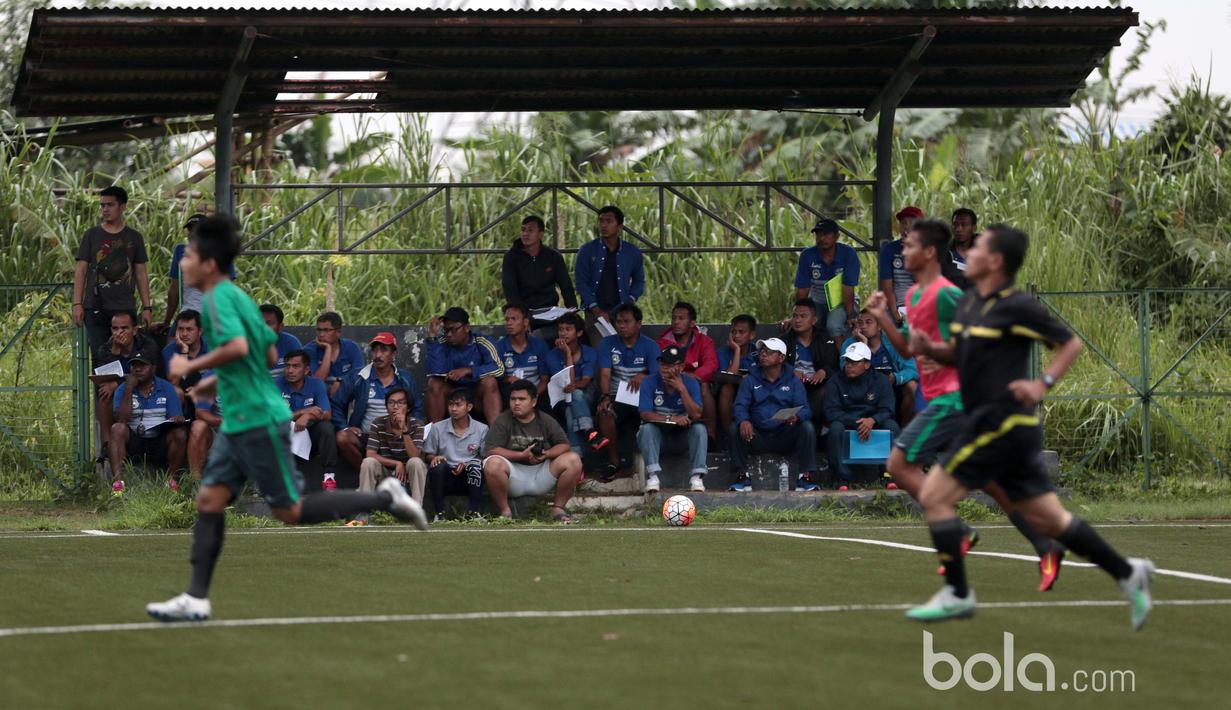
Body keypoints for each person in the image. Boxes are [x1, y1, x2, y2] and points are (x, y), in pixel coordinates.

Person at [147, 215, 426, 624]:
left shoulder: (218, 301)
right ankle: (196, 597)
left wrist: (192, 364)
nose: (183, 262)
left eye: (189, 254)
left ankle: (383, 498)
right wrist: (211, 386)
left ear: (207, 263)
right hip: (241, 418)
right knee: (209, 500)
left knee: (289, 511)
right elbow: (269, 355)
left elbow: (241, 346)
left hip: (258, 419)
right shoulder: (237, 298)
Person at [904, 224, 1153, 628]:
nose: (969, 251)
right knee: (1052, 520)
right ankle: (1128, 572)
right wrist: (930, 349)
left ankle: (957, 593)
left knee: (933, 494)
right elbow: (961, 356)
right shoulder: (969, 304)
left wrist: (1042, 383)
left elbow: (1069, 343)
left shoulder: (1016, 306)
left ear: (996, 261)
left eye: (979, 246)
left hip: (1001, 422)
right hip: (999, 427)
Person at [868, 218, 1064, 592]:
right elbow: (909, 347)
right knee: (991, 482)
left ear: (928, 253)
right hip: (949, 398)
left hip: (956, 398)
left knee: (898, 462)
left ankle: (955, 530)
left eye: (908, 246)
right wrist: (881, 318)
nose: (901, 252)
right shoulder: (913, 298)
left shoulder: (948, 294)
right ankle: (1045, 544)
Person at [482, 380, 583, 522]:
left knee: (573, 459)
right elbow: (491, 450)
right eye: (513, 399)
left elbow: (564, 445)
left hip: (541, 474)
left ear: (533, 401)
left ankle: (558, 509)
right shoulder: (502, 420)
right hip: (513, 475)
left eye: (522, 399)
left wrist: (547, 454)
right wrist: (520, 455)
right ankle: (505, 512)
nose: (516, 403)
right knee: (492, 463)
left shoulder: (545, 419)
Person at [727, 338, 819, 492]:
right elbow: (740, 406)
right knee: (735, 428)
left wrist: (796, 417)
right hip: (756, 435)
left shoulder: (794, 381)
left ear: (781, 358)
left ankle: (805, 477)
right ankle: (742, 476)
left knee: (807, 427)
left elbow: (805, 409)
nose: (763, 354)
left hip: (784, 434)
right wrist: (744, 420)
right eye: (762, 351)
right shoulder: (750, 380)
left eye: (769, 352)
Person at [332, 332, 421, 490]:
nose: (378, 355)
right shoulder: (358, 377)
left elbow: (417, 410)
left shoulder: (405, 379)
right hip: (366, 436)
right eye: (375, 350)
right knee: (342, 437)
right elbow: (336, 405)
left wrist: (409, 432)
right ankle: (372, 478)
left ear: (393, 354)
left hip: (397, 437)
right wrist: (346, 427)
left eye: (383, 350)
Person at [72, 185, 153, 353]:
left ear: (123, 207)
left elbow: (141, 273)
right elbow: (81, 270)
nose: (105, 209)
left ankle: (124, 381)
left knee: (128, 352)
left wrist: (147, 307)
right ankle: (103, 381)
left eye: (110, 205)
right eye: (102, 205)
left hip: (124, 305)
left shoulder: (134, 237)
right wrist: (77, 304)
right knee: (100, 354)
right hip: (95, 306)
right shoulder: (91, 235)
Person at [109, 346, 187, 495]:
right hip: (134, 442)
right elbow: (121, 419)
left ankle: (171, 482)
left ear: (153, 368)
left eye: (142, 365)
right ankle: (118, 484)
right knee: (117, 428)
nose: (137, 369)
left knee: (180, 432)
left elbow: (176, 416)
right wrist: (129, 389)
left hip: (158, 441)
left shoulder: (166, 387)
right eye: (134, 365)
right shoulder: (123, 389)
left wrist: (177, 419)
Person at [595, 303, 660, 480]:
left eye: (626, 321)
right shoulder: (607, 343)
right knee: (604, 413)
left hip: (644, 397)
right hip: (617, 396)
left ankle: (648, 466)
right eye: (618, 322)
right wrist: (606, 397)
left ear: (638, 323)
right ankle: (614, 462)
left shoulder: (651, 346)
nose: (621, 325)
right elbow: (605, 374)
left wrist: (643, 375)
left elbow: (657, 375)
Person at [823, 342, 900, 490]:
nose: (849, 365)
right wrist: (856, 422)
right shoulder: (835, 381)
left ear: (866, 364)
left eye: (854, 362)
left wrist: (873, 420)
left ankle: (890, 475)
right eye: (847, 361)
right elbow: (831, 411)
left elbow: (888, 409)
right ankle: (842, 479)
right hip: (847, 421)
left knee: (892, 426)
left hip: (873, 421)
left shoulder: (881, 380)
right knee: (835, 428)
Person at [352, 386, 428, 526]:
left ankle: (415, 513)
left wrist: (404, 431)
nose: (395, 407)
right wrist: (397, 464)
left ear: (408, 408)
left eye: (400, 403)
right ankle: (363, 514)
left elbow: (414, 455)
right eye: (391, 403)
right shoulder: (378, 423)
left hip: (409, 473)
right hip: (387, 472)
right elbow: (370, 453)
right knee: (368, 462)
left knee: (416, 462)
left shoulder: (417, 425)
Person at [637, 346, 708, 494]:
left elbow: (696, 415)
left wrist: (681, 389)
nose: (665, 368)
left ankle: (697, 477)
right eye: (662, 364)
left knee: (700, 429)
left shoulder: (690, 383)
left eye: (670, 365)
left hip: (681, 438)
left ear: (681, 366)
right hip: (658, 439)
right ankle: (653, 477)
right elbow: (645, 413)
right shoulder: (649, 382)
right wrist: (672, 419)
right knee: (646, 428)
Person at [93, 310, 159, 461]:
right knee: (104, 393)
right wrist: (115, 353)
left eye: (124, 328)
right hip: (121, 393)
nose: (119, 332)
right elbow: (102, 377)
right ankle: (107, 445)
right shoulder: (105, 350)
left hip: (145, 388)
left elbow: (148, 373)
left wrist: (117, 383)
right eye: (115, 329)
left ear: (135, 330)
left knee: (110, 389)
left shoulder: (147, 345)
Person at [575, 205, 645, 343]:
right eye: (601, 221)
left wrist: (630, 300)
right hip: (595, 313)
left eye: (609, 221)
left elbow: (639, 281)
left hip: (623, 312)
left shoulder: (632, 252)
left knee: (624, 350)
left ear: (619, 227)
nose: (603, 225)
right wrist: (595, 308)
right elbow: (581, 282)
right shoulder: (587, 250)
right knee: (599, 352)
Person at [425, 306, 504, 424]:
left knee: (489, 382)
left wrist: (469, 370)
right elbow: (436, 371)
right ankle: (434, 435)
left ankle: (495, 436)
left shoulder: (482, 341)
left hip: (477, 397)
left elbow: (499, 369)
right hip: (452, 396)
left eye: (454, 329)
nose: (449, 334)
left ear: (467, 328)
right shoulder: (441, 343)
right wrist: (432, 337)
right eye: (446, 330)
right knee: (434, 383)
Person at [545, 312, 607, 455]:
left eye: (568, 329)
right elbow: (568, 383)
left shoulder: (590, 352)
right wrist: (567, 354)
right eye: (561, 329)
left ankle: (576, 458)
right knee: (571, 402)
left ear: (579, 333)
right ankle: (590, 431)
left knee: (574, 400)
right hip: (561, 397)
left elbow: (585, 382)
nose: (563, 333)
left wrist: (574, 387)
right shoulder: (552, 355)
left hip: (586, 394)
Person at [161, 214, 236, 334]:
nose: (192, 234)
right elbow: (174, 289)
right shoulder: (181, 251)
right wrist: (167, 321)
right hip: (187, 314)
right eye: (190, 230)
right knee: (171, 346)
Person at [842, 308, 918, 425]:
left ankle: (904, 429)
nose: (863, 326)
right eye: (860, 322)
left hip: (890, 388)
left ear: (880, 326)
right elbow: (845, 369)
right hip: (860, 389)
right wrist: (863, 345)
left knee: (912, 386)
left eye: (868, 322)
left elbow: (913, 369)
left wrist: (895, 377)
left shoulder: (893, 341)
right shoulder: (849, 343)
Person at [655, 301, 718, 440]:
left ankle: (710, 435)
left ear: (692, 323)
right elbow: (657, 367)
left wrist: (693, 377)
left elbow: (711, 365)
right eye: (674, 318)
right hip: (669, 380)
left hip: (696, 381)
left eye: (681, 318)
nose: (676, 322)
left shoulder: (704, 341)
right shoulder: (661, 342)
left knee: (704, 386)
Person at [422, 388, 488, 521]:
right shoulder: (437, 428)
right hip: (446, 477)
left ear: (469, 407)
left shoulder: (482, 429)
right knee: (437, 465)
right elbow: (427, 454)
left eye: (458, 405)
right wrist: (435, 457)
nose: (453, 409)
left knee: (475, 465)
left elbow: (485, 457)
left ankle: (474, 513)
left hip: (469, 477)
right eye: (451, 404)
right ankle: (439, 514)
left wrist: (467, 464)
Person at [276, 349, 338, 488]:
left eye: (295, 366)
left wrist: (308, 416)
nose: (290, 370)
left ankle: (329, 477)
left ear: (306, 370)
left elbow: (327, 414)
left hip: (310, 436)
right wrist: (304, 411)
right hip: (285, 436)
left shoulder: (316, 384)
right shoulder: (276, 385)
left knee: (326, 427)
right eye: (287, 366)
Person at [502, 215, 578, 322]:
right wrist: (521, 317)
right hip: (524, 313)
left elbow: (566, 287)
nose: (525, 234)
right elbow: (510, 290)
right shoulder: (511, 257)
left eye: (530, 230)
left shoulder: (553, 256)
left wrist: (573, 312)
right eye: (523, 230)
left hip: (550, 312)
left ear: (541, 234)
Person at [793, 218, 859, 339]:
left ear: (837, 236)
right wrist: (797, 315)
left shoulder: (848, 254)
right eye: (818, 234)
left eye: (826, 234)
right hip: (817, 301)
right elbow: (803, 290)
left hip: (842, 302)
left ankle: (843, 357)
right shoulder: (807, 255)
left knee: (833, 326)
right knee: (806, 324)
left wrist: (850, 316)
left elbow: (848, 288)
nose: (821, 238)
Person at [783, 299, 839, 429]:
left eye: (803, 316)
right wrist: (790, 372)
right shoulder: (784, 340)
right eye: (795, 316)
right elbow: (774, 366)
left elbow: (834, 366)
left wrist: (823, 371)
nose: (797, 320)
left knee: (827, 390)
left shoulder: (825, 340)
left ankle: (818, 431)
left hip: (816, 386)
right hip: (792, 386)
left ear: (814, 320)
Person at [496, 303, 552, 407]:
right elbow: (497, 377)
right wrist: (508, 379)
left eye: (514, 319)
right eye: (507, 319)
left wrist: (534, 395)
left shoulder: (539, 345)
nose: (509, 323)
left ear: (525, 322)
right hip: (511, 394)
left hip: (535, 393)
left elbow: (544, 379)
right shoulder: (499, 346)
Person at [877, 206, 923, 326]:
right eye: (903, 223)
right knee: (883, 324)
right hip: (897, 305)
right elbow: (887, 286)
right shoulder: (890, 250)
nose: (907, 227)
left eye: (912, 224)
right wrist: (894, 311)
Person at [715, 314, 758, 438]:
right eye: (733, 331)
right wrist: (737, 351)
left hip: (752, 390)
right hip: (730, 390)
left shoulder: (758, 353)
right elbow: (729, 376)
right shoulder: (722, 352)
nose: (736, 335)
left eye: (741, 332)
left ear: (752, 335)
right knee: (726, 388)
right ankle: (729, 435)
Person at [303, 311, 364, 397]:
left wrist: (340, 382)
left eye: (326, 330)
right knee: (321, 387)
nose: (321, 334)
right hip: (318, 396)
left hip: (346, 393)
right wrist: (328, 349)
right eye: (319, 330)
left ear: (338, 332)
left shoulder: (352, 347)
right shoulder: (309, 350)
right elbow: (317, 381)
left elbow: (358, 376)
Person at [161, 310, 210, 408]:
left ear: (200, 331)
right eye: (180, 329)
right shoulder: (169, 351)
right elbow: (174, 383)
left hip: (209, 392)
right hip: (183, 395)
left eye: (189, 329)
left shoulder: (211, 347)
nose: (184, 334)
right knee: (176, 391)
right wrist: (184, 351)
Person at [259, 303, 303, 379]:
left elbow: (300, 376)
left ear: (280, 327)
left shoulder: (291, 343)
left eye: (268, 323)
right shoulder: (245, 345)